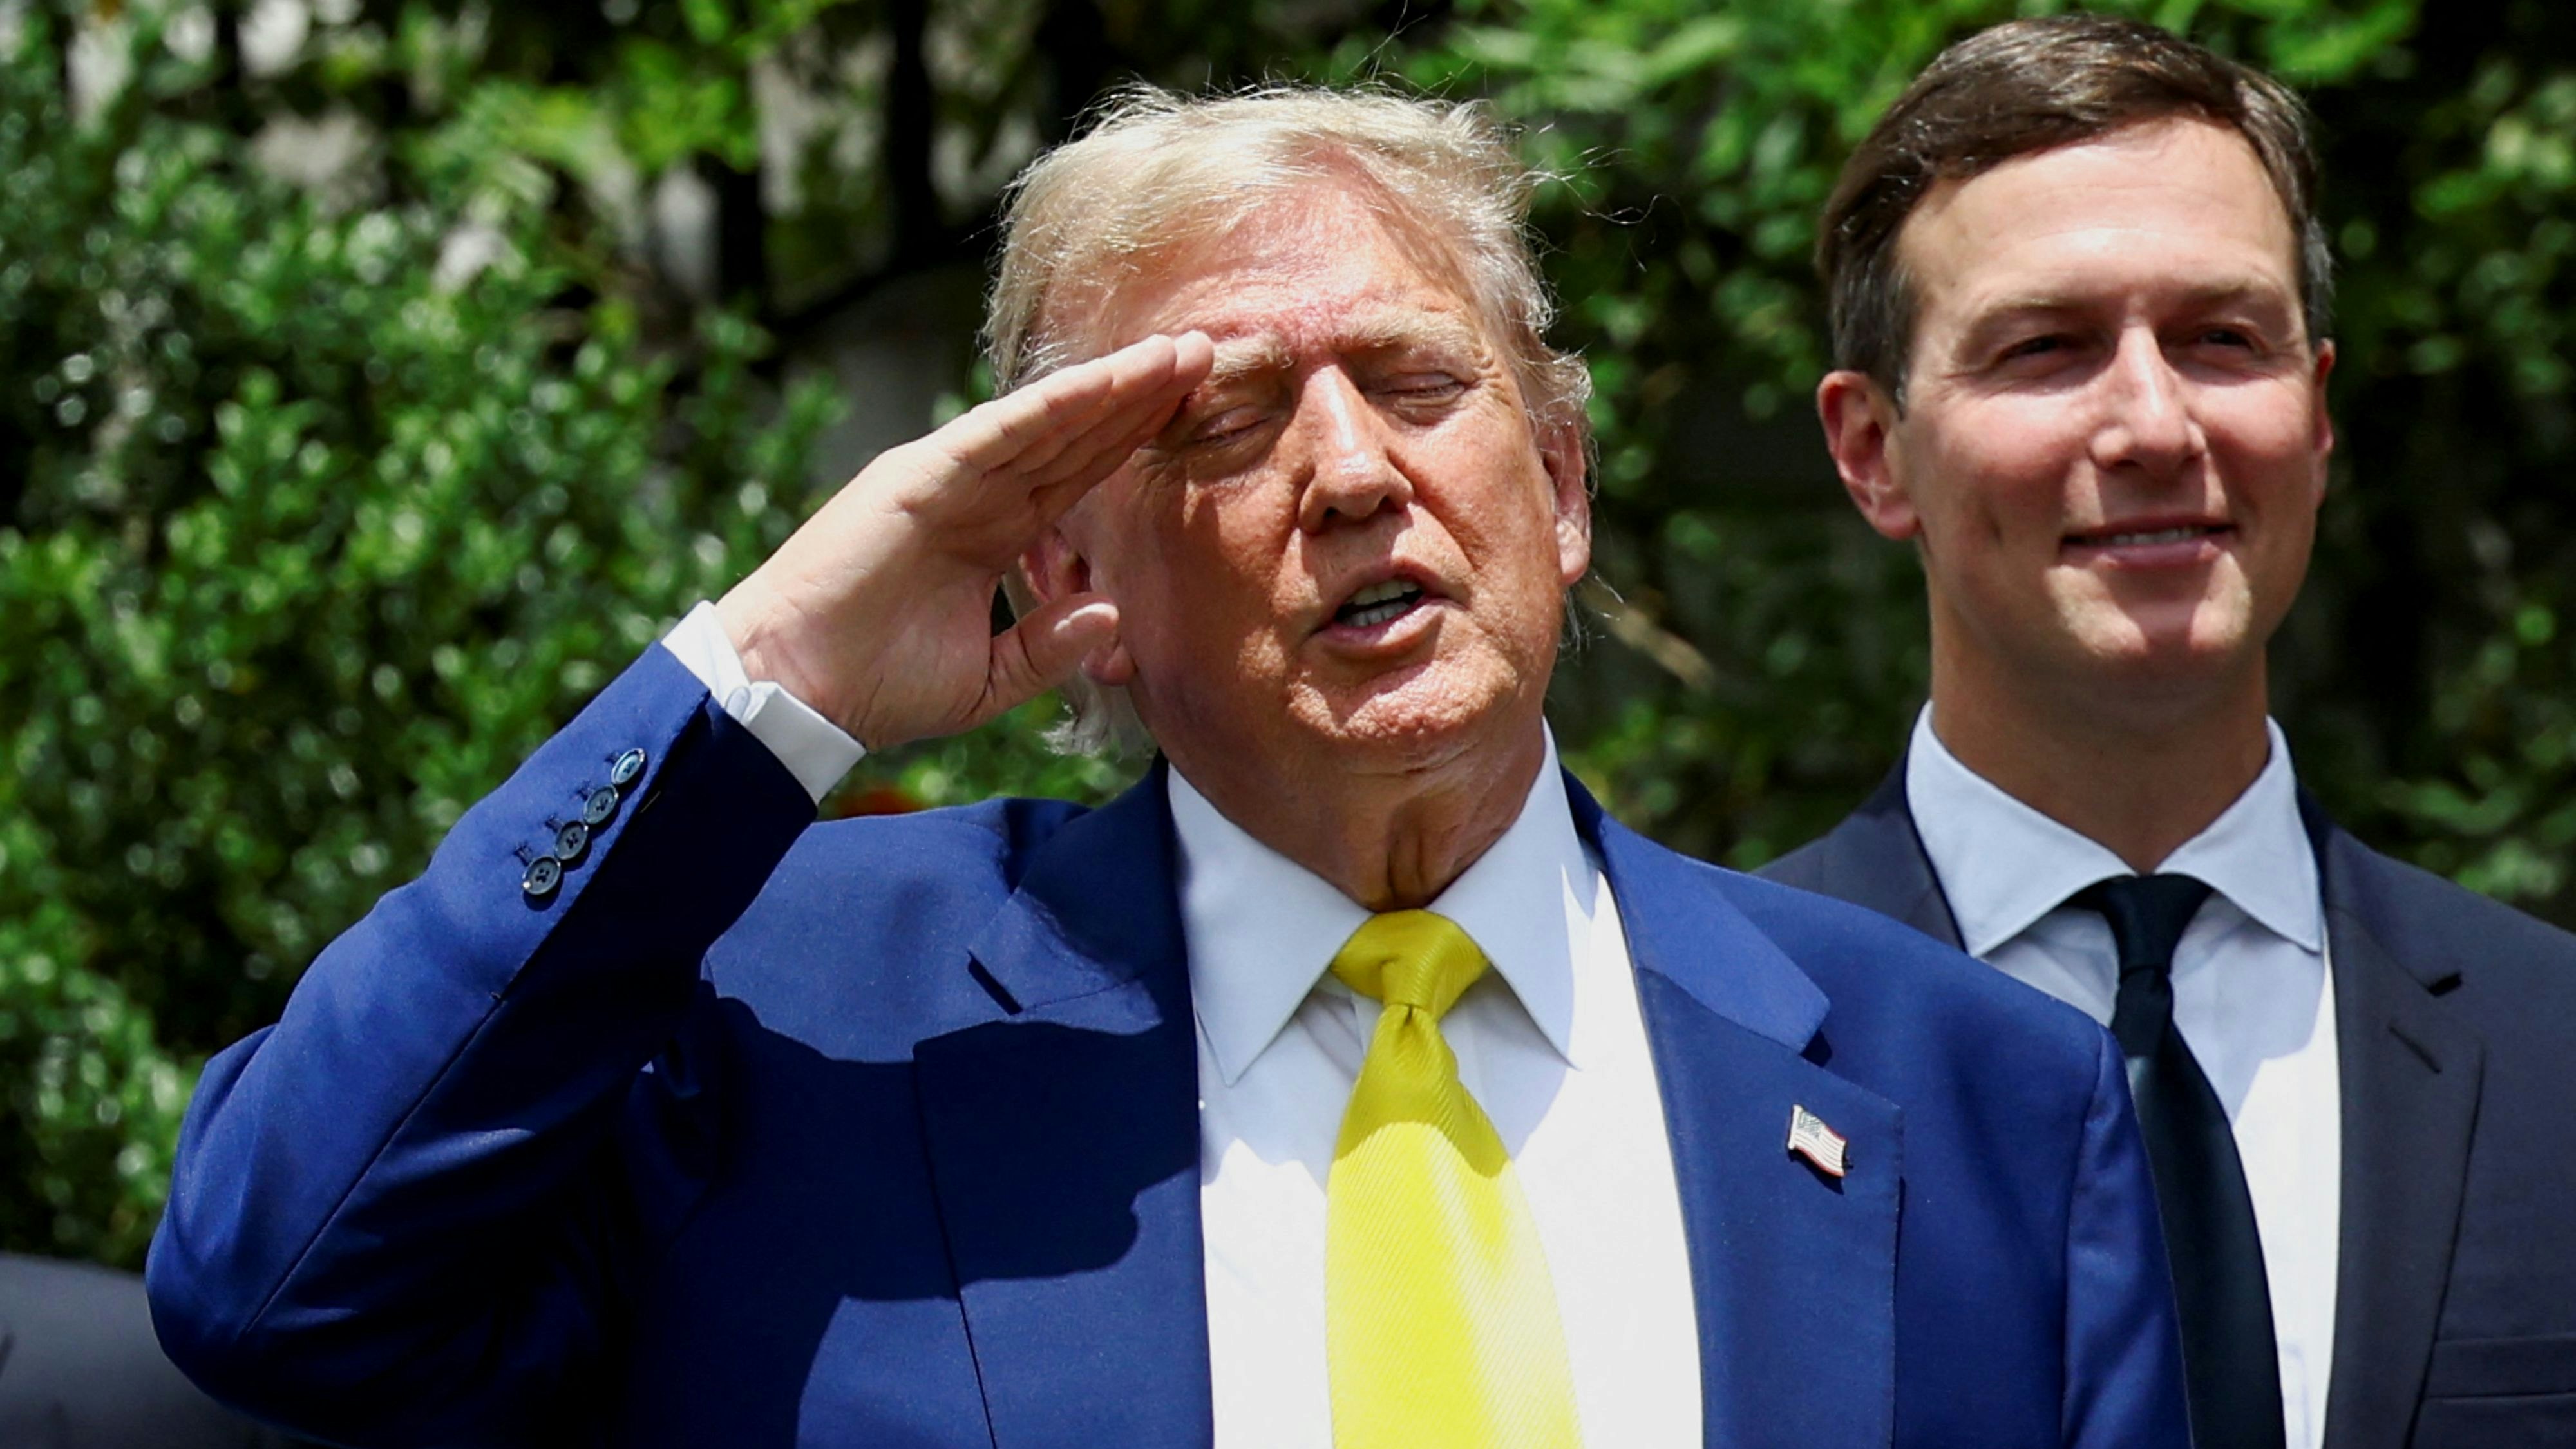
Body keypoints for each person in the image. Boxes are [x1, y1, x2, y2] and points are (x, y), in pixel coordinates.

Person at [147, 86, 2185, 1448]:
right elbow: (276, 1279)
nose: (1355, 472)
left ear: (1557, 483)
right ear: (1064, 567)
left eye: (1415, 381)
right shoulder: (785, 1020)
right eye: (1218, 423)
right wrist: (768, 674)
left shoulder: (1985, 1098)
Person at [1765, 15, 2576, 1449]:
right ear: (1869, 451)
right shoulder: (1698, 1046)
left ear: (2315, 415)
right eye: (2045, 347)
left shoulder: (2553, 1046)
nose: (2150, 423)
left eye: (2218, 338)